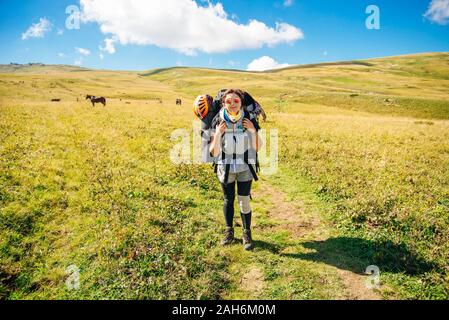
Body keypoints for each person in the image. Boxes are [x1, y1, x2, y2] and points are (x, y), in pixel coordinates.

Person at [208, 89, 262, 251]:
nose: (232, 104)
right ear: (223, 104)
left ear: (241, 103)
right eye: (229, 101)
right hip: (225, 167)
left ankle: (247, 234)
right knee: (228, 200)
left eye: (236, 101)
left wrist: (252, 130)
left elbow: (257, 147)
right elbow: (213, 152)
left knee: (244, 200)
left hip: (245, 166)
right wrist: (217, 134)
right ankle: (229, 232)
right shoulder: (218, 121)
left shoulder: (249, 119)